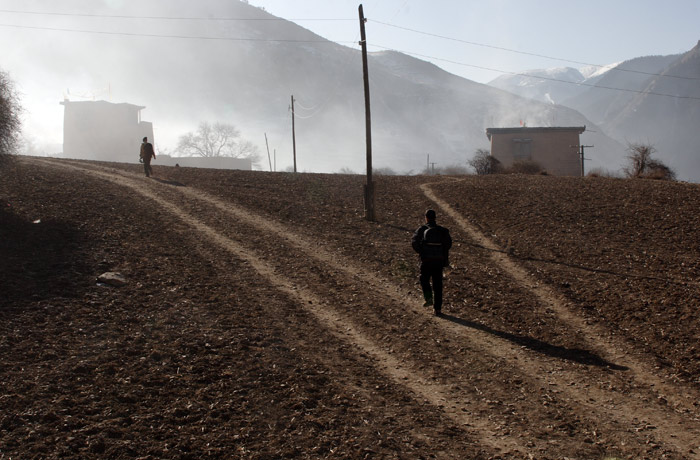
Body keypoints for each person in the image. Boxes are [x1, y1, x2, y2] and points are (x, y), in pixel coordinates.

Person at [412, 209, 452, 316]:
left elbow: (414, 242)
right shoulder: (442, 230)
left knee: (424, 279)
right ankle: (437, 309)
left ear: (426, 218)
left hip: (426, 261)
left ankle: (428, 298)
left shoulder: (422, 229)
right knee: (438, 284)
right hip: (439, 261)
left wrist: (422, 251)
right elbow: (448, 244)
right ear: (435, 218)